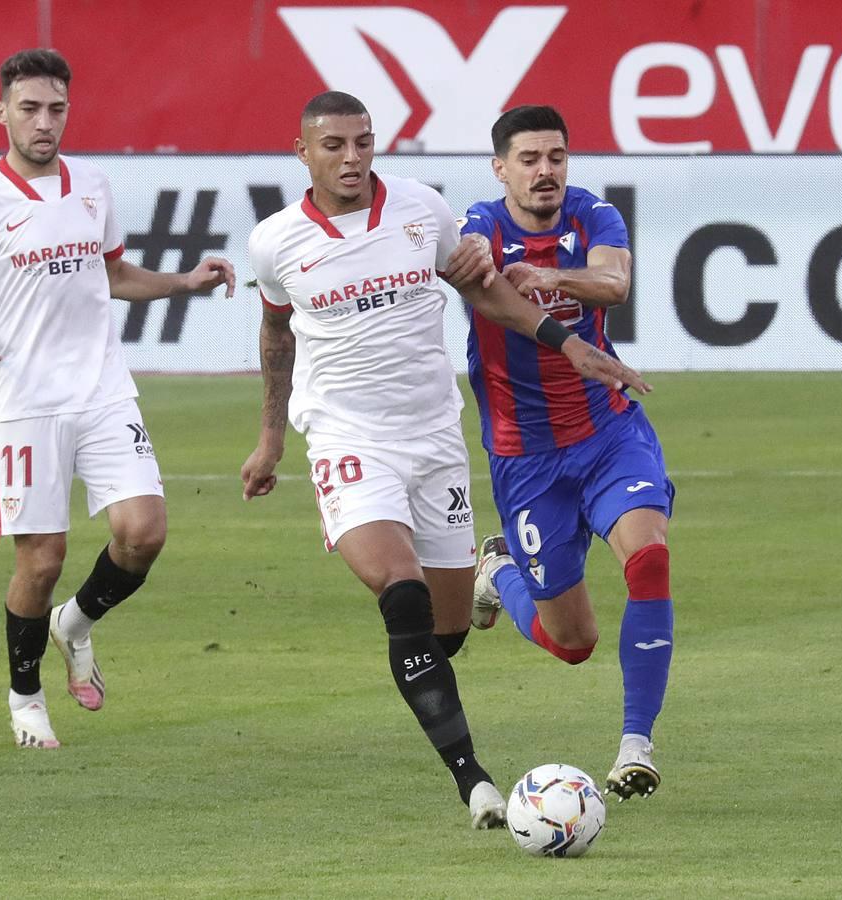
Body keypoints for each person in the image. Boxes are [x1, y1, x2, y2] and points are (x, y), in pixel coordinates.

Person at [239, 91, 648, 827]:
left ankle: (488, 581)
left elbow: (489, 294)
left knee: (447, 631)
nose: (353, 157)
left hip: (433, 440)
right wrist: (271, 437)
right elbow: (277, 337)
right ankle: (475, 783)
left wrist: (571, 344)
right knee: (403, 596)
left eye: (363, 142)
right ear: (303, 154)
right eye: (334, 145)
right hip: (346, 439)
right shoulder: (275, 243)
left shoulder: (423, 212)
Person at [0, 49, 234, 749]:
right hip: (29, 402)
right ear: (0, 111)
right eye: (29, 108)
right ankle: (25, 694)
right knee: (41, 561)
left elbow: (114, 274)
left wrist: (184, 282)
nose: (43, 121)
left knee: (144, 532)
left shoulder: (92, 184)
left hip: (102, 390)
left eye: (55, 109)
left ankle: (76, 622)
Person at [461, 104, 676, 801]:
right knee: (571, 642)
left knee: (649, 557)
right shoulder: (479, 226)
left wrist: (551, 280)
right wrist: (524, 290)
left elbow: (613, 281)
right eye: (529, 159)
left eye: (556, 156)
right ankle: (498, 575)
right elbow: (486, 292)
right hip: (526, 458)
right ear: (501, 170)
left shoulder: (594, 216)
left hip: (609, 431)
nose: (546, 170)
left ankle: (636, 744)